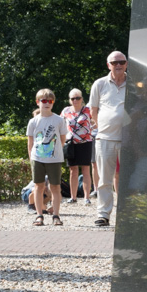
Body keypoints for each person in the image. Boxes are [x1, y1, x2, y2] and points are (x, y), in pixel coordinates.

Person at [90, 51, 128, 226]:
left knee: (129, 179)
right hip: (105, 138)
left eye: (121, 61)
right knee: (105, 179)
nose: (118, 65)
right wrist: (103, 127)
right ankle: (103, 215)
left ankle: (128, 213)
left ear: (127, 64)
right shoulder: (99, 84)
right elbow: (93, 110)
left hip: (129, 138)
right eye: (115, 62)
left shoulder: (134, 83)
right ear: (108, 65)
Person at [26, 89, 68, 227]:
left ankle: (56, 215)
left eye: (50, 101)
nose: (47, 103)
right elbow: (30, 143)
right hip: (37, 158)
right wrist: (32, 158)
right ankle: (39, 215)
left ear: (53, 103)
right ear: (38, 102)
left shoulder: (59, 120)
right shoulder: (33, 121)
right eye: (44, 101)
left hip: (54, 159)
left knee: (55, 187)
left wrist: (54, 152)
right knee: (38, 187)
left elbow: (62, 140)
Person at [61, 88, 94, 205]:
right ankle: (73, 197)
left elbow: (95, 122)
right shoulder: (65, 111)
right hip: (71, 143)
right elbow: (61, 125)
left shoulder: (88, 110)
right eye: (73, 98)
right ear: (70, 100)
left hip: (86, 143)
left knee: (86, 170)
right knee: (72, 170)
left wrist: (91, 131)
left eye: (78, 98)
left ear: (82, 99)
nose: (75, 100)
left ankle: (86, 197)